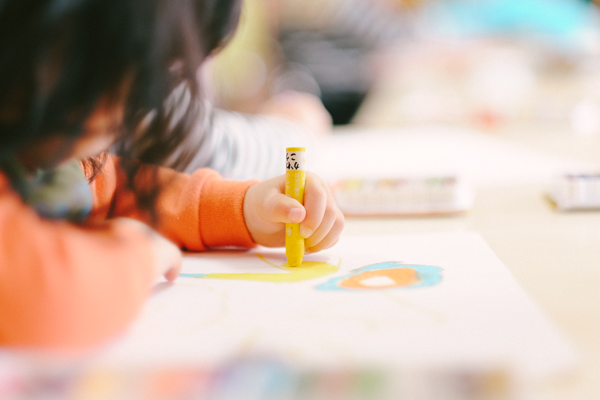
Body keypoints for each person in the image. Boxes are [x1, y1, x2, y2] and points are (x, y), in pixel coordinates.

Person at [0, 0, 344, 352]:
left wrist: (243, 208)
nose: (144, 106)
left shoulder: (59, 156)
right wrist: (140, 253)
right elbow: (46, 298)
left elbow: (118, 189)